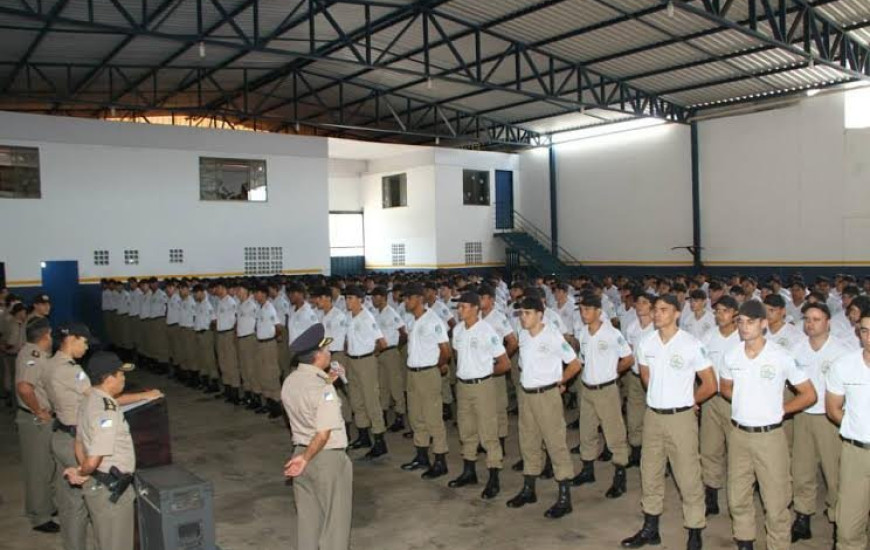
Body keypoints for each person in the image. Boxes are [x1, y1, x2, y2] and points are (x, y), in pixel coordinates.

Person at [719, 300, 817, 550]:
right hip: (739, 434)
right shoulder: (731, 355)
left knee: (776, 501)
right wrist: (745, 401)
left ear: (763, 324)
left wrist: (781, 410)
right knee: (738, 496)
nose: (744, 327)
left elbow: (809, 394)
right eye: (741, 322)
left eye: (750, 322)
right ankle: (745, 543)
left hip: (769, 437)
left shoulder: (781, 356)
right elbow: (725, 386)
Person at [622, 294, 716, 550]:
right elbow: (646, 378)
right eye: (655, 309)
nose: (657, 313)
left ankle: (695, 530)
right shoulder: (646, 343)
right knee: (650, 472)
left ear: (677, 313)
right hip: (653, 416)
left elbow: (710, 384)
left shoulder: (691, 344)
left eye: (664, 309)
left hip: (681, 418)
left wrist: (690, 400)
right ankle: (650, 528)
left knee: (688, 475)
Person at [63, 352, 161, 550]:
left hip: (98, 483)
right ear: (108, 379)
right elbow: (94, 458)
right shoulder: (105, 411)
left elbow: (79, 442)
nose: (124, 378)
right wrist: (82, 471)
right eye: (121, 374)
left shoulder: (89, 398)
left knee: (105, 541)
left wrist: (85, 472)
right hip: (110, 490)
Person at [506, 296, 581, 519]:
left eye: (527, 313)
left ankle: (565, 496)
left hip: (546, 395)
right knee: (528, 442)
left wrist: (561, 381)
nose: (523, 317)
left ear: (540, 314)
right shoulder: (523, 335)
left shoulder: (553, 336)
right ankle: (529, 489)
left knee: (555, 443)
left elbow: (574, 364)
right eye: (521, 313)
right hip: (527, 395)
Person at [282, 323, 352, 550]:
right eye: (327, 350)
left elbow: (309, 400)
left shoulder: (291, 381)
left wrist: (328, 380)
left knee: (308, 523)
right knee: (335, 525)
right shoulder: (324, 390)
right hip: (325, 458)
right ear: (318, 356)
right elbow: (323, 433)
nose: (330, 354)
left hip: (300, 453)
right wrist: (307, 458)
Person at [790, 301, 850, 543]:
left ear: (828, 323)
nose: (810, 324)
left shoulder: (841, 351)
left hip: (829, 418)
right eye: (807, 319)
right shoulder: (797, 349)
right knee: (802, 469)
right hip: (803, 415)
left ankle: (838, 519)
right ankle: (802, 516)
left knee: (834, 473)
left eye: (816, 319)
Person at [570, 294, 634, 499]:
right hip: (587, 388)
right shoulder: (582, 333)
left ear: (599, 311)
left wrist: (613, 372)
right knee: (586, 431)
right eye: (582, 310)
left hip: (606, 390)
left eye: (588, 310)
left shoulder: (612, 334)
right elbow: (582, 360)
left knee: (614, 433)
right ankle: (587, 470)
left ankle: (620, 475)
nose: (584, 314)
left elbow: (628, 358)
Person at [448, 291, 510, 499]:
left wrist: (484, 372)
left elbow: (504, 363)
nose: (459, 310)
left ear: (475, 308)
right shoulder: (458, 330)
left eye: (463, 306)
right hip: (463, 386)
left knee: (488, 432)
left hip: (482, 386)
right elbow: (458, 355)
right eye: (458, 306)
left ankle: (494, 476)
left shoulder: (486, 331)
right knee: (466, 430)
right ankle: (469, 471)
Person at [825, 308, 870, 550]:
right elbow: (833, 408)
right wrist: (856, 427)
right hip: (856, 453)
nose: (869, 337)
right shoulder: (844, 365)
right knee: (849, 526)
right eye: (865, 331)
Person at [400, 283, 451, 479]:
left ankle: (440, 460)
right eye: (404, 299)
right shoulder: (412, 320)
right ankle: (421, 456)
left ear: (419, 299)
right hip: (413, 373)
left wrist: (436, 366)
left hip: (428, 373)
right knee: (416, 416)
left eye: (409, 298)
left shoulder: (433, 320)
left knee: (433, 418)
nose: (406, 302)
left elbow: (445, 350)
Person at [14, 317, 58, 533]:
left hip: (37, 418)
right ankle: (40, 516)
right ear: (46, 335)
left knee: (46, 466)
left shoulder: (31, 352)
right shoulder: (34, 356)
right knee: (39, 468)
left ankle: (45, 505)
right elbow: (24, 387)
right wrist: (38, 410)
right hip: (36, 420)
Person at [699, 295, 741, 517]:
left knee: (737, 450)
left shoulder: (743, 338)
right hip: (711, 399)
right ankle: (711, 493)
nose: (720, 315)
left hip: (735, 400)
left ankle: (738, 498)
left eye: (725, 310)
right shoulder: (708, 337)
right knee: (710, 447)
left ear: (735, 313)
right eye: (717, 311)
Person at [343, 285, 388, 459]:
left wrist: (371, 355)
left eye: (351, 298)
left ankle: (379, 441)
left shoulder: (367, 318)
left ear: (360, 300)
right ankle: (363, 436)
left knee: (371, 400)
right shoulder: (349, 317)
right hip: (352, 360)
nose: (347, 301)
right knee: (356, 400)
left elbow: (382, 343)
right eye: (346, 298)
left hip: (365, 361)